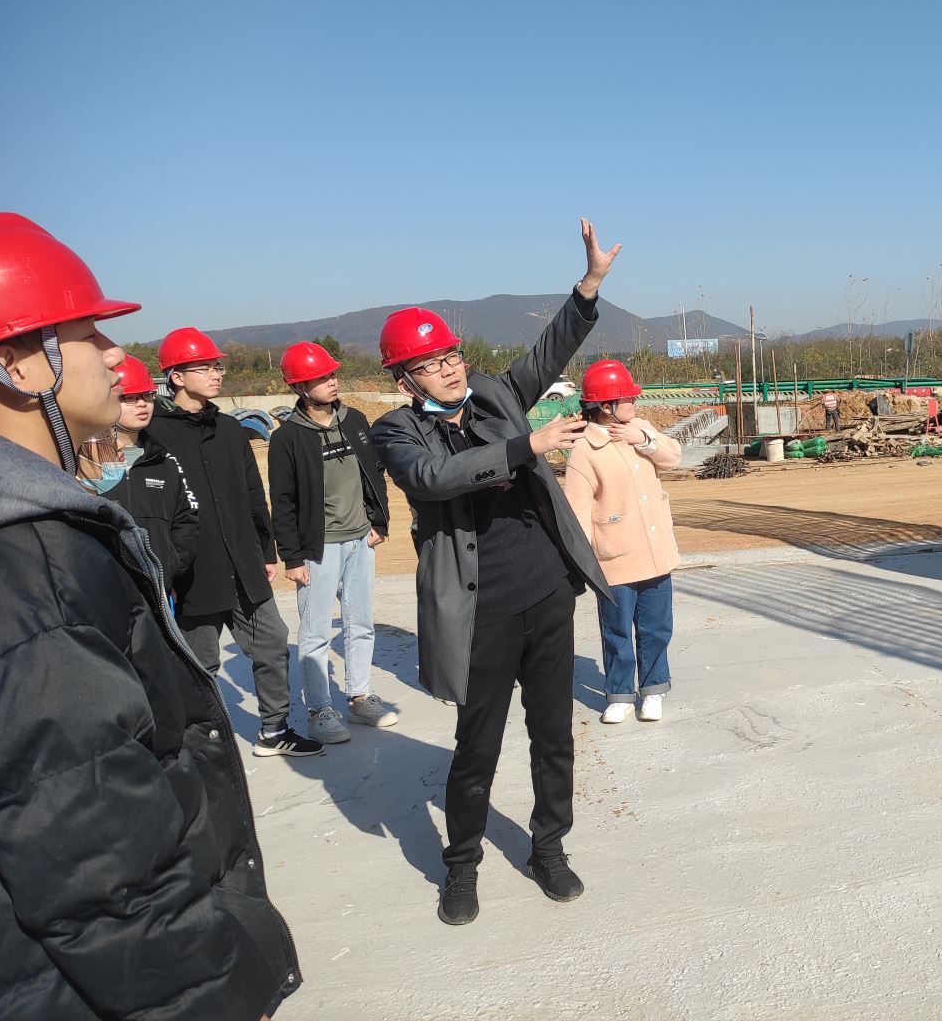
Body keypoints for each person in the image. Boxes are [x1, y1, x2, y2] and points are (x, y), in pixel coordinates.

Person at [0, 212, 301, 1019]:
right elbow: (106, 874)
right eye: (88, 334)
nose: (117, 356)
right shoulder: (21, 572)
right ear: (15, 363)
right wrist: (213, 995)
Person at [370, 217, 618, 926]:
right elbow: (435, 478)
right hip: (480, 613)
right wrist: (524, 448)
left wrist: (588, 286)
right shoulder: (396, 431)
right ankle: (461, 867)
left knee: (554, 736)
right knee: (477, 747)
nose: (450, 368)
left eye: (452, 354)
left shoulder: (496, 395)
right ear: (404, 378)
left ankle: (549, 848)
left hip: (545, 594)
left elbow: (548, 350)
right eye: (431, 363)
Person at [148, 326, 323, 757]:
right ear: (176, 376)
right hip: (192, 571)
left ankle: (274, 730)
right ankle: (204, 744)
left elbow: (252, 494)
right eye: (204, 367)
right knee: (201, 664)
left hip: (243, 562)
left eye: (217, 367)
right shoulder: (154, 433)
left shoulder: (229, 428)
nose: (216, 374)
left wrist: (266, 551)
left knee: (272, 642)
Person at [268, 340, 396, 744]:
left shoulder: (355, 420)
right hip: (317, 548)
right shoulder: (287, 438)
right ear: (300, 387)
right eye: (321, 377)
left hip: (360, 540)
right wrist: (292, 558)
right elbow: (282, 501)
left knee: (360, 623)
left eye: (332, 374)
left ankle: (359, 698)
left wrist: (378, 522)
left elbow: (373, 474)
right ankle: (320, 710)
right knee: (315, 631)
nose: (332, 381)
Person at [561, 358, 683, 724]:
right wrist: (581, 563)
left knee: (656, 627)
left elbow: (673, 458)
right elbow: (578, 510)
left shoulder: (641, 429)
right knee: (616, 631)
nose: (634, 402)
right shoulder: (585, 449)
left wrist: (644, 441)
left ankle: (653, 690)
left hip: (655, 552)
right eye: (627, 398)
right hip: (614, 558)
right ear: (605, 406)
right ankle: (619, 695)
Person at [76, 353, 200, 601]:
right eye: (129, 398)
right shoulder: (83, 463)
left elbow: (185, 521)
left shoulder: (163, 460)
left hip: (158, 591)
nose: (142, 404)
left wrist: (169, 570)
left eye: (147, 396)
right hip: (102, 594)